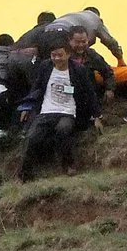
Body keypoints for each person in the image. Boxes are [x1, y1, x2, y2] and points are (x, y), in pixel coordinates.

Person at [19, 43, 96, 180]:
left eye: (60, 55)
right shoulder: (45, 67)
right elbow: (36, 87)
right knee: (31, 137)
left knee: (63, 130)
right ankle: (25, 174)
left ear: (68, 54)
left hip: (67, 112)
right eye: (53, 55)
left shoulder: (78, 70)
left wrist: (96, 115)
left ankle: (68, 164)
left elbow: (89, 93)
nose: (56, 58)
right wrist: (27, 106)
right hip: (46, 111)